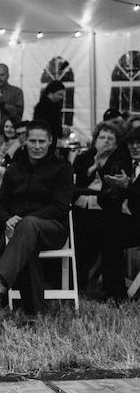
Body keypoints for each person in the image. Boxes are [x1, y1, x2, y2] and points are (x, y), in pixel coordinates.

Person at [0, 120, 73, 321]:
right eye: (32, 141)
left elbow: (60, 207)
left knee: (27, 226)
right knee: (26, 238)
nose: (37, 146)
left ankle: (0, 279)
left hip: (53, 228)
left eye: (41, 141)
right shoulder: (14, 169)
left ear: (50, 142)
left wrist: (26, 220)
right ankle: (34, 313)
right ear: (25, 141)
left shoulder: (62, 168)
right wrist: (8, 218)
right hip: (22, 231)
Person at [72, 120, 128, 292]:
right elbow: (76, 182)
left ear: (117, 142)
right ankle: (77, 283)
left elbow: (112, 186)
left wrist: (102, 165)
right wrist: (94, 165)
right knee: (76, 233)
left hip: (105, 210)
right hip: (81, 208)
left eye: (110, 138)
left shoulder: (120, 160)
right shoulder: (83, 158)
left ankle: (109, 288)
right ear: (95, 140)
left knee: (107, 234)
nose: (105, 141)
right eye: (102, 137)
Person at [97, 126, 140, 302]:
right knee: (105, 228)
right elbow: (104, 198)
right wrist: (112, 187)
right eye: (131, 143)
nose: (135, 147)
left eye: (139, 143)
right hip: (130, 221)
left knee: (111, 232)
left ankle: (116, 293)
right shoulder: (126, 165)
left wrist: (126, 187)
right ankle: (112, 291)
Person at [33, 80, 66, 152]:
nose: (61, 97)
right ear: (51, 93)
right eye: (59, 94)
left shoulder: (53, 106)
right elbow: (50, 124)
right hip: (45, 139)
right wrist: (60, 131)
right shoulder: (44, 107)